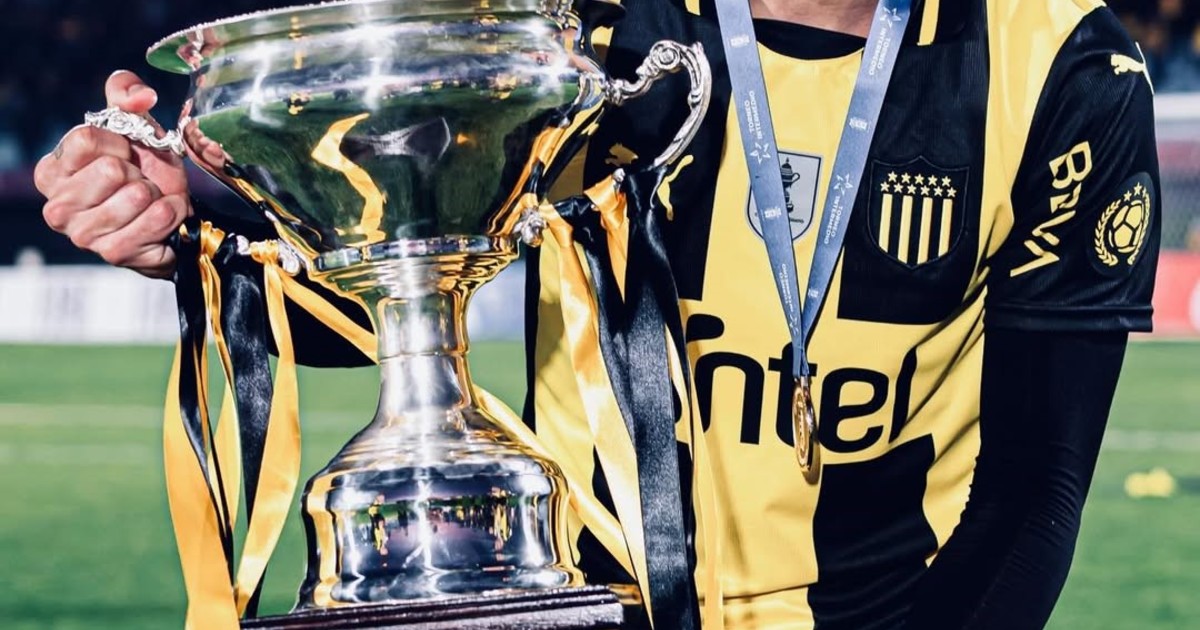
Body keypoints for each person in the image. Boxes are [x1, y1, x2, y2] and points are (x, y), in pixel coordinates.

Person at [34, 0, 1160, 628]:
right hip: (574, 605)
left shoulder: (1065, 62)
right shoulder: (581, 30)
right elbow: (396, 298)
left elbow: (1036, 481)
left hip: (893, 611)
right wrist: (185, 224)